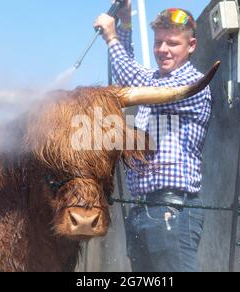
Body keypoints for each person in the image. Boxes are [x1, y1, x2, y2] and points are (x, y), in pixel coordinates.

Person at [94, 1, 212, 272]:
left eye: (172, 43)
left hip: (172, 210)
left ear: (191, 46)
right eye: (158, 42)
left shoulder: (191, 84)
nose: (162, 50)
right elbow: (130, 80)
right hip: (143, 212)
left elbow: (133, 80)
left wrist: (111, 38)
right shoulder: (155, 82)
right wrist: (125, 23)